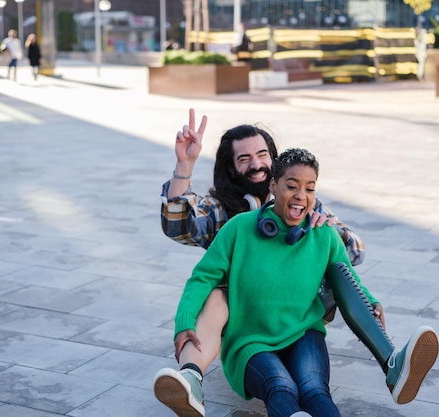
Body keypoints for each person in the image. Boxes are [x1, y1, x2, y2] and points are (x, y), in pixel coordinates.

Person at [154, 148, 439, 417]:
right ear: (273, 186)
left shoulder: (323, 234)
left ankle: (392, 364)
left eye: (310, 188)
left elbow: (348, 279)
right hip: (251, 341)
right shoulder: (239, 228)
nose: (301, 195)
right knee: (281, 386)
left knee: (316, 392)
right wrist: (184, 324)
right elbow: (202, 278)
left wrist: (372, 304)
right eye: (292, 186)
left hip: (304, 333)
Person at [154, 109, 368, 416]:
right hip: (243, 317)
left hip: (296, 312)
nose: (256, 164)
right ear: (231, 168)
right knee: (217, 297)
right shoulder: (225, 214)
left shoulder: (300, 200)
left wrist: (328, 227)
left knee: (313, 390)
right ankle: (191, 375)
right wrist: (185, 164)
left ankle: (390, 359)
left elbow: (355, 253)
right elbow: (178, 224)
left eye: (262, 154)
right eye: (244, 159)